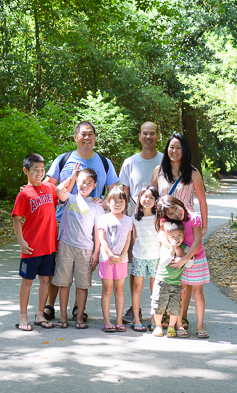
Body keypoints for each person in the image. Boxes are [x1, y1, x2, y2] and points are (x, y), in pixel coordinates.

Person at [42, 120, 120, 320]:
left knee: (83, 266)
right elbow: (49, 185)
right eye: (83, 134)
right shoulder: (64, 159)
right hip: (61, 223)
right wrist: (29, 189)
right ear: (75, 137)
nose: (87, 137)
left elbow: (115, 191)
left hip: (90, 224)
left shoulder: (104, 162)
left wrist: (102, 203)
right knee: (59, 265)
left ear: (95, 138)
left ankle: (78, 308)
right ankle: (50, 305)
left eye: (91, 134)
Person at [119, 121, 162, 322]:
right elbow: (124, 193)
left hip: (158, 221)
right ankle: (133, 309)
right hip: (135, 220)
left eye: (152, 133)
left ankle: (158, 309)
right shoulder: (129, 162)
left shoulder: (165, 160)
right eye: (145, 133)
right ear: (139, 136)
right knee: (135, 263)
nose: (148, 137)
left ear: (157, 136)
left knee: (158, 265)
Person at [51, 167, 104, 329]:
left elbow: (98, 231)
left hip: (86, 250)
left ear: (94, 186)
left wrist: (96, 253)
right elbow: (59, 189)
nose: (85, 185)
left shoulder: (96, 206)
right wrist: (73, 177)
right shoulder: (70, 198)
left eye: (89, 183)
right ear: (77, 183)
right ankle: (63, 316)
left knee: (82, 285)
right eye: (82, 182)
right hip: (66, 246)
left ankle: (80, 316)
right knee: (64, 283)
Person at [11, 153, 57, 331]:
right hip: (30, 248)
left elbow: (64, 192)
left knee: (45, 280)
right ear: (26, 170)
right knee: (27, 281)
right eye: (35, 170)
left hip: (49, 246)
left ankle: (40, 314)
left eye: (42, 170)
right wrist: (21, 241)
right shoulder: (23, 194)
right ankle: (23, 316)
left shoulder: (49, 188)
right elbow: (16, 219)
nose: (39, 173)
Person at [155, 195, 210, 338]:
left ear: (180, 203)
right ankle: (178, 324)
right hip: (179, 259)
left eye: (175, 208)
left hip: (195, 258)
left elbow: (197, 241)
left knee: (198, 293)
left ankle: (200, 325)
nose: (175, 213)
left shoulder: (193, 218)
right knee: (181, 292)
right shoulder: (168, 221)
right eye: (170, 213)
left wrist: (185, 258)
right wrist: (176, 249)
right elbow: (161, 236)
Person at [151, 133, 208, 234]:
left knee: (189, 250)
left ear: (184, 150)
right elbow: (153, 199)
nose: (174, 151)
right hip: (165, 224)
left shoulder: (193, 173)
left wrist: (204, 227)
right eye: (171, 147)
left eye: (178, 148)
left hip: (186, 224)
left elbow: (202, 201)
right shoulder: (158, 171)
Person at [96, 188, 133, 332]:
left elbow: (128, 239)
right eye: (114, 201)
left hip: (121, 261)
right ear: (108, 202)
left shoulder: (128, 220)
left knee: (119, 290)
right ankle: (106, 320)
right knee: (107, 290)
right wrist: (111, 255)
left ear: (126, 203)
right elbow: (102, 239)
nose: (118, 204)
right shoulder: (103, 218)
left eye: (121, 201)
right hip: (107, 259)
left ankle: (119, 320)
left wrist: (122, 256)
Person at [150, 220, 194, 338]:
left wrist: (187, 256)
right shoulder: (166, 247)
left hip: (176, 283)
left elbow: (189, 264)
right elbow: (164, 262)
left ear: (184, 234)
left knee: (175, 307)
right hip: (162, 281)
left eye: (179, 235)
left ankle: (171, 326)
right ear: (167, 237)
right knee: (159, 304)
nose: (176, 239)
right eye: (173, 236)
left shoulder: (185, 248)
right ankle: (158, 326)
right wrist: (172, 249)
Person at [128, 186, 160, 331]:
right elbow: (133, 238)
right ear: (139, 198)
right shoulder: (134, 218)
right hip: (139, 256)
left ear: (156, 200)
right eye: (144, 197)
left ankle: (154, 319)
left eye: (151, 198)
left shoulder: (159, 217)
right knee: (137, 288)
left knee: (155, 290)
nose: (147, 200)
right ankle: (136, 318)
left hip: (156, 257)